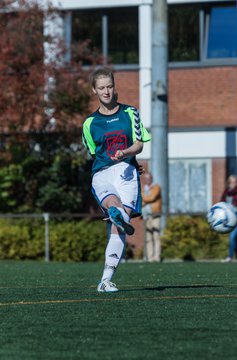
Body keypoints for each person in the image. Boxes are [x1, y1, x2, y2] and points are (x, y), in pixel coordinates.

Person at [82, 67, 151, 292]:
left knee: (119, 224)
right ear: (94, 90)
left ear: (114, 87)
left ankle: (105, 280)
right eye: (101, 88)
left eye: (109, 86)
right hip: (102, 172)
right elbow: (95, 154)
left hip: (127, 172)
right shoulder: (89, 123)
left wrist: (126, 153)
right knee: (115, 205)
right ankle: (115, 213)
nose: (106, 91)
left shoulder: (131, 113)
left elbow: (139, 144)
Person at [141, 172, 162, 262]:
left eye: (149, 178)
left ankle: (157, 257)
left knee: (156, 235)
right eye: (145, 178)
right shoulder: (143, 189)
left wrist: (143, 198)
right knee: (148, 237)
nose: (147, 180)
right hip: (146, 215)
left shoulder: (156, 187)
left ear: (151, 179)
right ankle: (150, 257)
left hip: (155, 214)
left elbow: (152, 197)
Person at [221, 174, 237, 262]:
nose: (233, 184)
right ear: (228, 183)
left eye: (235, 182)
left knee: (232, 236)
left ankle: (229, 256)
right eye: (231, 182)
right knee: (234, 238)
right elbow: (222, 204)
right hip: (230, 219)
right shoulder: (226, 192)